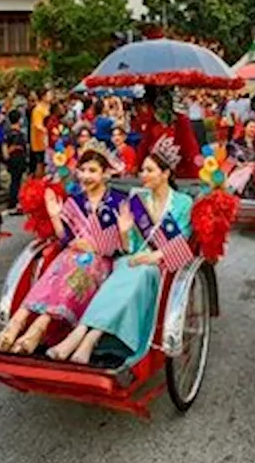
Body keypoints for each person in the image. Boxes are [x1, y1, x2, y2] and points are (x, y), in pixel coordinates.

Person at [47, 138, 194, 364]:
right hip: (133, 259)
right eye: (143, 169)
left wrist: (154, 256)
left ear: (165, 174)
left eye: (149, 170)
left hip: (160, 265)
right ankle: (82, 333)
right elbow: (129, 247)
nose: (142, 174)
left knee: (140, 273)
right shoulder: (138, 200)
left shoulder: (183, 202)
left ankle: (88, 338)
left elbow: (182, 240)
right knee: (123, 268)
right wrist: (125, 232)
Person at [0, 144, 125, 354]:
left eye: (92, 171)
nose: (85, 176)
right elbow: (65, 238)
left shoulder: (118, 202)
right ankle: (17, 322)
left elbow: (123, 242)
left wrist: (94, 246)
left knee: (74, 277)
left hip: (100, 260)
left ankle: (38, 328)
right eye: (83, 170)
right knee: (53, 275)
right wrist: (55, 215)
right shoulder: (76, 201)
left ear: (105, 174)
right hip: (71, 255)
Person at [4, 108, 29, 210]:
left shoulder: (8, 132)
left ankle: (14, 201)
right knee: (16, 181)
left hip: (13, 159)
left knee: (15, 181)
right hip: (17, 159)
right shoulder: (17, 134)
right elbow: (14, 147)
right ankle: (14, 201)